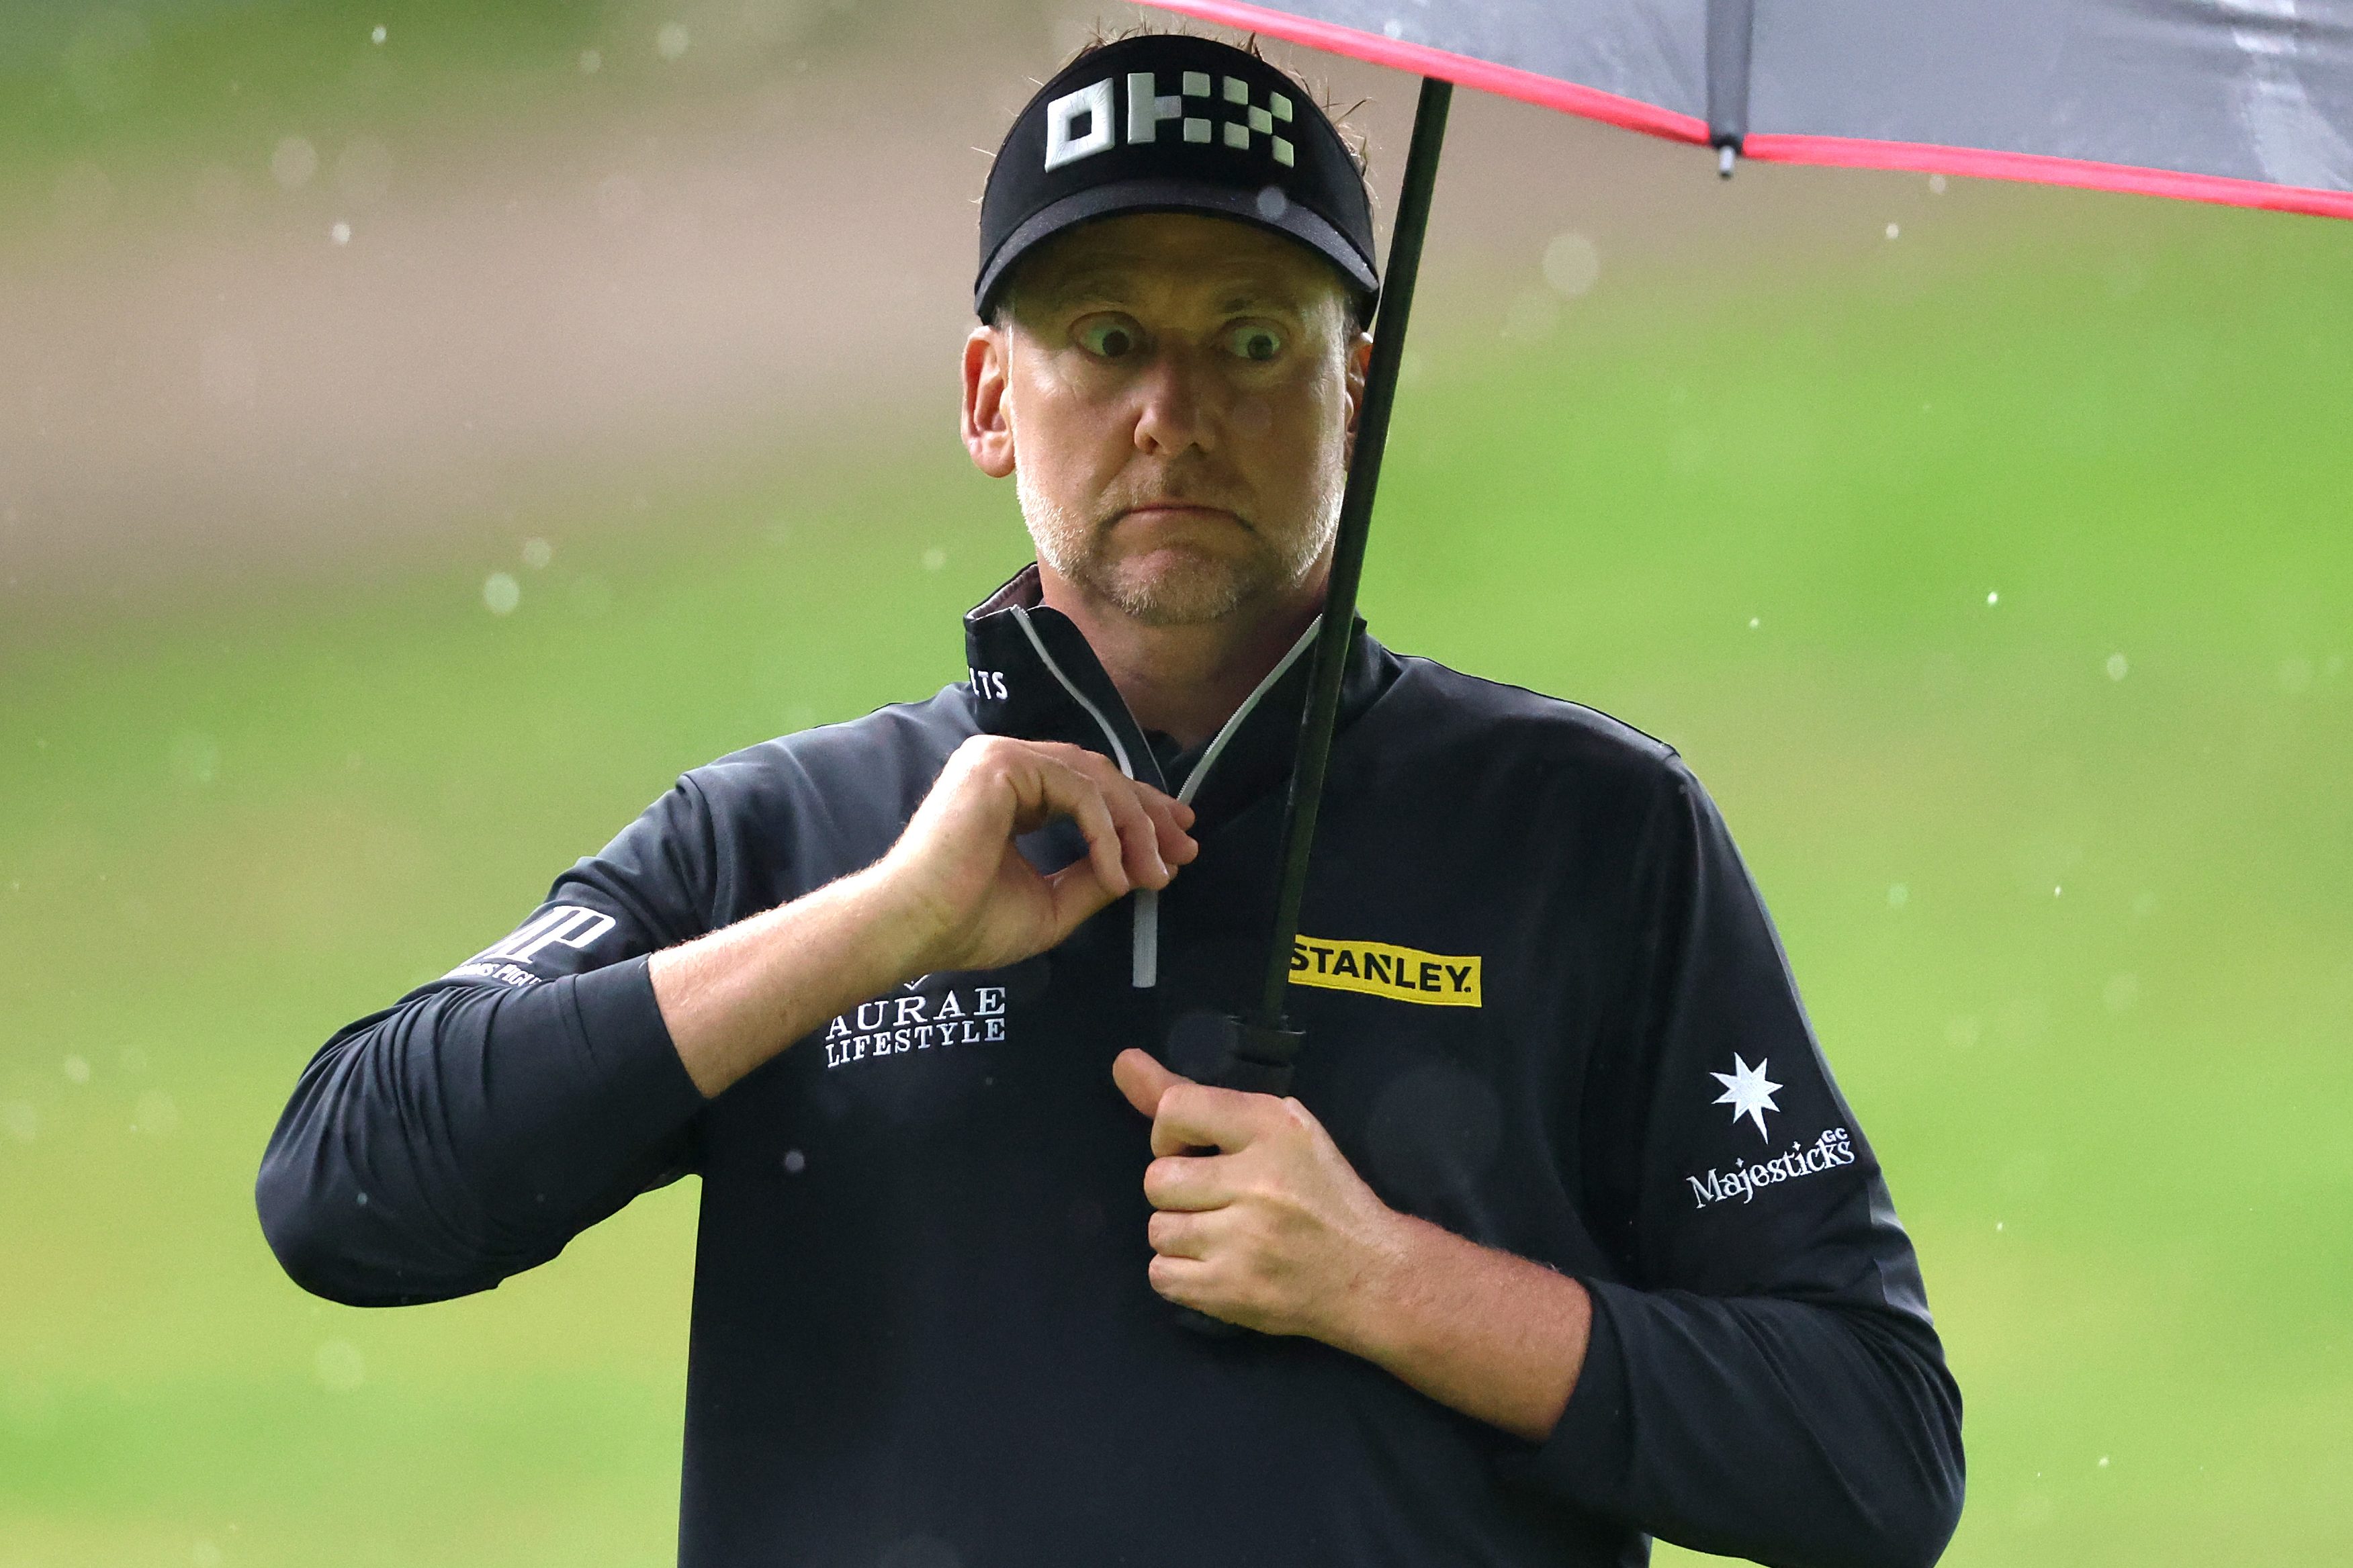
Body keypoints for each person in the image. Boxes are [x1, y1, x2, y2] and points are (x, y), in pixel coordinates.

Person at [257, 31, 1963, 1568]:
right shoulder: (783, 843)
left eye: (1250, 338)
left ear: (1352, 390)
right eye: (1106, 338)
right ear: (994, 399)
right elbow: (343, 1189)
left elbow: (1876, 1448)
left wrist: (1389, 1283)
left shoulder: (1591, 830)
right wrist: (879, 928)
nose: (1174, 415)